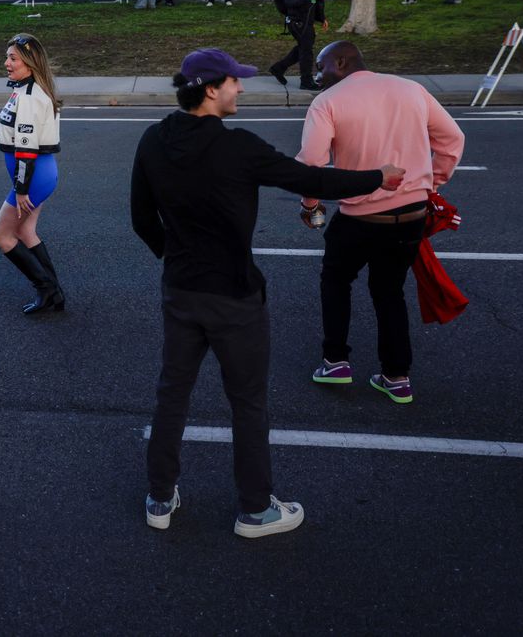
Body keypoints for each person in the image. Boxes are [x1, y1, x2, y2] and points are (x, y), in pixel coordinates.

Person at [132, 49, 403, 538]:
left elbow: (140, 219)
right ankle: (255, 510)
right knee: (248, 402)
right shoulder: (239, 148)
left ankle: (159, 496)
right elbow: (310, 178)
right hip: (235, 295)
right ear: (211, 89)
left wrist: (175, 256)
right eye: (235, 82)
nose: (241, 88)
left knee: (172, 394)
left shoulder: (153, 139)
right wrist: (377, 177)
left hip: (181, 289)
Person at [297, 41, 465, 404]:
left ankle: (336, 361)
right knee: (389, 291)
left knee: (336, 281)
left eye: (321, 67)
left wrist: (310, 205)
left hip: (359, 217)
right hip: (410, 218)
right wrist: (431, 182)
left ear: (341, 62)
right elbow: (453, 139)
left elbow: (311, 161)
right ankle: (396, 375)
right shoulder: (412, 90)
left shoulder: (327, 101)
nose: (318, 75)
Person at [0, 32, 65, 314]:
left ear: (30, 63)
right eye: (7, 57)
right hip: (34, 173)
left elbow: (27, 151)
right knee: (25, 230)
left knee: (2, 237)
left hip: (33, 177)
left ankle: (47, 289)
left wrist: (21, 190)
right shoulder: (23, 89)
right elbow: (24, 136)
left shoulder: (31, 96)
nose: (6, 63)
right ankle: (54, 294)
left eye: (13, 58)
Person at [267, 0, 327, 91]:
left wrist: (321, 17)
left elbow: (313, 0)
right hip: (297, 21)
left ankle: (278, 68)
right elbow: (289, 1)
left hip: (307, 19)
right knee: (306, 50)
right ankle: (305, 80)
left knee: (304, 47)